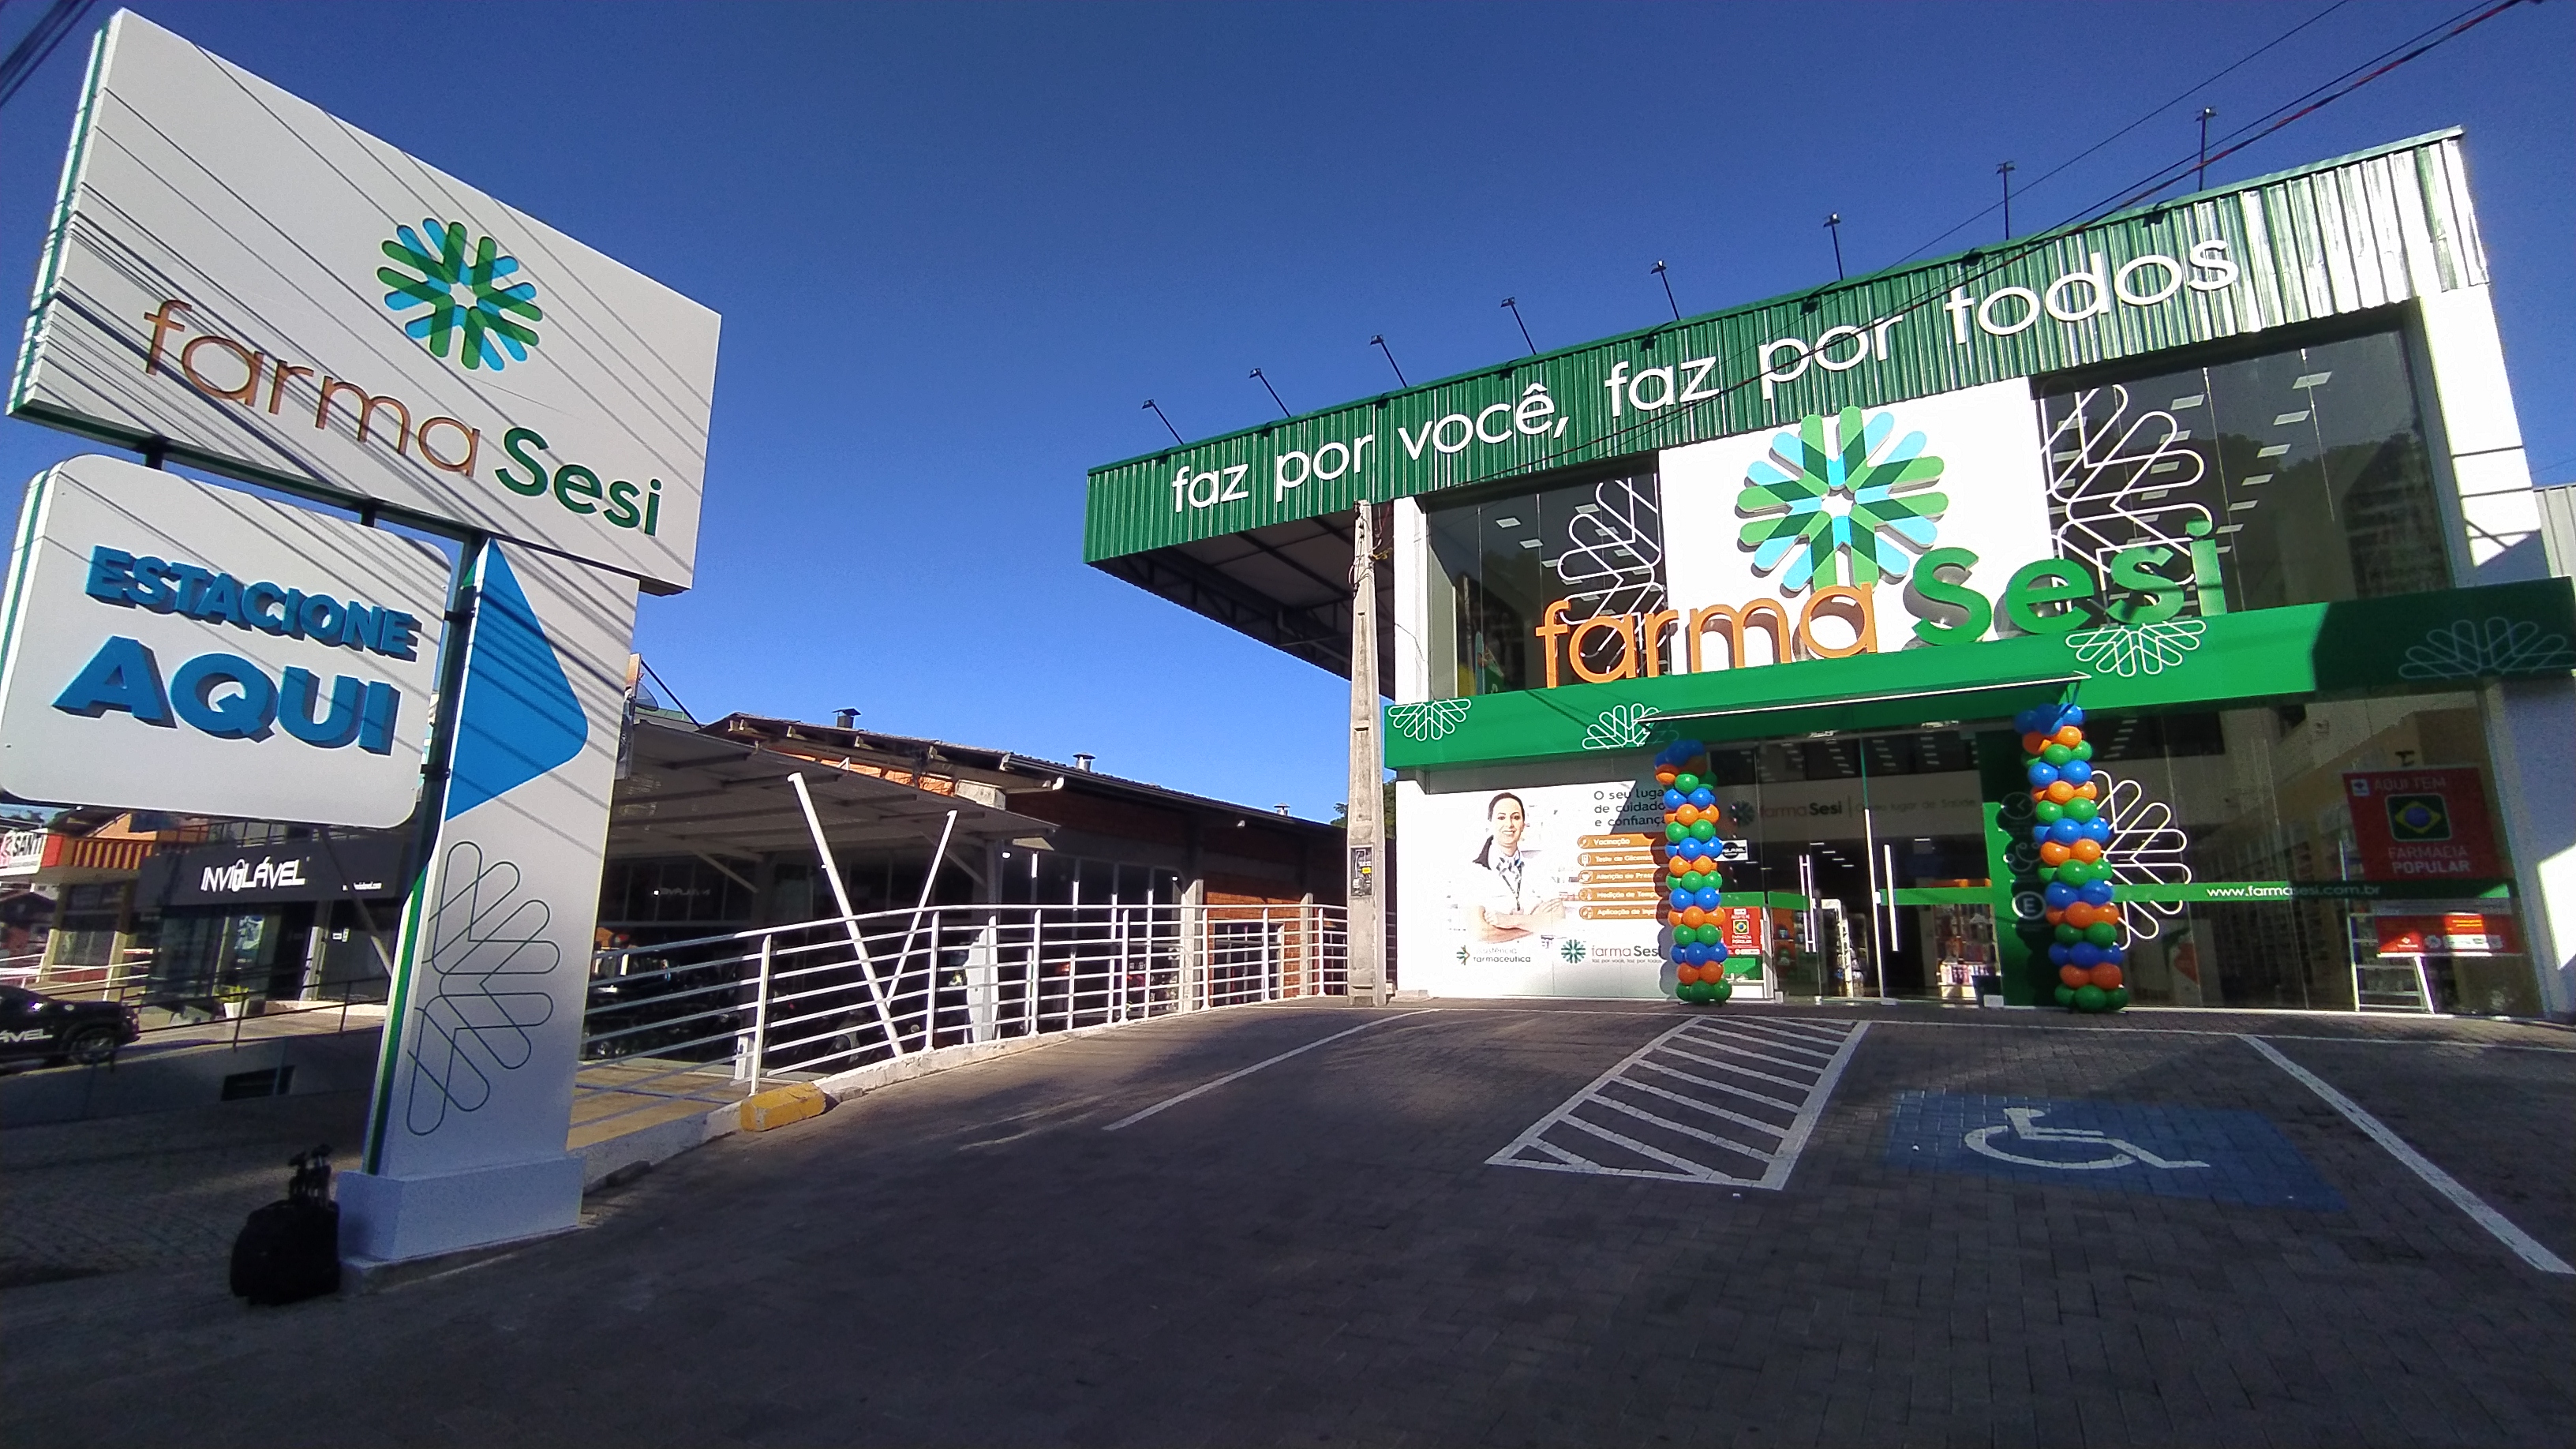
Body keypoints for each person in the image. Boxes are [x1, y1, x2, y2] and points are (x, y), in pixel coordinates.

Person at [1466, 792, 1565, 942]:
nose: (1509, 824)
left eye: (1516, 817)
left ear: (1523, 825)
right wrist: (1535, 921)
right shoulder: (1474, 873)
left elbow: (1559, 917)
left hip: (1535, 954)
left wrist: (1509, 921)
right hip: (1496, 956)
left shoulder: (1537, 868)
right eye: (1501, 818)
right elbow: (1481, 932)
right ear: (1490, 824)